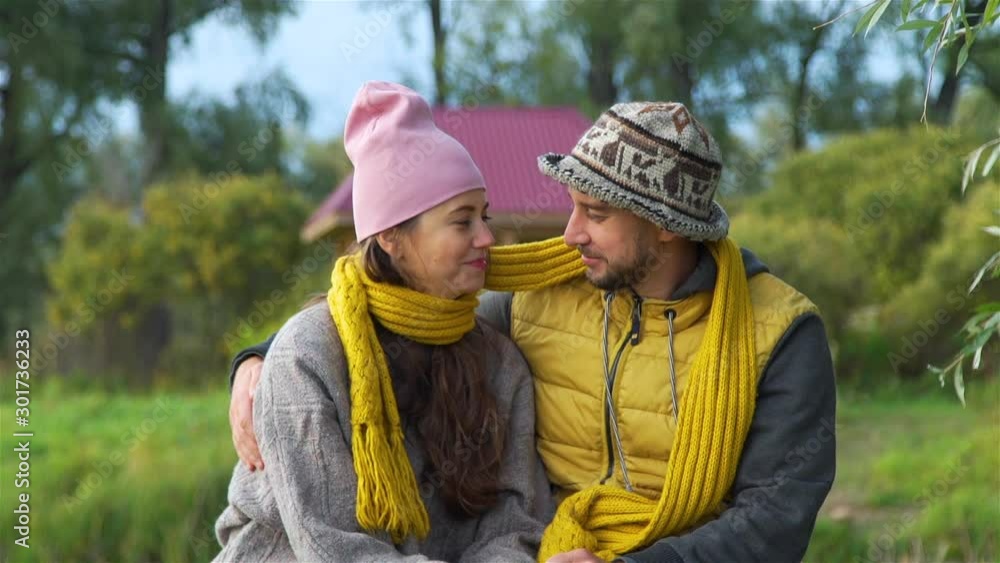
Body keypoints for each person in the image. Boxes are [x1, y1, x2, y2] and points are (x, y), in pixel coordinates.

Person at [229, 100, 837, 563]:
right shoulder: (538, 299)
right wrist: (262, 358)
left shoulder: (779, 332)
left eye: (596, 213)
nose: (570, 234)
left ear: (667, 225)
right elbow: (402, 309)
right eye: (571, 206)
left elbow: (775, 517)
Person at [213, 81, 554, 562]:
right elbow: (334, 549)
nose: (486, 238)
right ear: (391, 236)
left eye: (485, 217)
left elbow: (516, 525)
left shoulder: (501, 361)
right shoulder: (307, 357)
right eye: (462, 221)